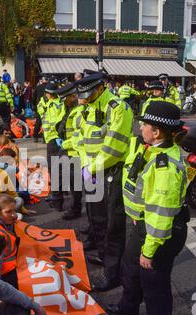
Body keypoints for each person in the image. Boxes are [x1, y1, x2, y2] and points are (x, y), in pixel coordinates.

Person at [106, 101, 189, 315]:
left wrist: (149, 249)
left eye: (145, 125)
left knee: (155, 283)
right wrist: (136, 214)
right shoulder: (150, 148)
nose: (140, 127)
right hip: (143, 224)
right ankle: (128, 308)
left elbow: (161, 214)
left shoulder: (165, 166)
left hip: (160, 233)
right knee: (130, 266)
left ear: (157, 132)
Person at [75, 73, 133, 291]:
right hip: (91, 171)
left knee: (112, 224)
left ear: (100, 88)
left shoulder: (118, 108)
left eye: (89, 94)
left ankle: (114, 272)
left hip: (111, 171)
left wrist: (92, 167)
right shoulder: (85, 108)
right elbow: (79, 139)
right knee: (95, 217)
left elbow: (114, 146)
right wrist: (84, 164)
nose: (85, 99)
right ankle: (104, 256)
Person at [55, 82, 84, 220]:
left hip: (74, 151)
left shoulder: (78, 110)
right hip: (67, 149)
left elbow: (79, 135)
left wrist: (64, 144)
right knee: (69, 180)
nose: (63, 102)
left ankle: (76, 209)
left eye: (65, 98)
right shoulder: (70, 108)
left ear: (72, 96)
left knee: (75, 183)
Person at [38, 82, 64, 210]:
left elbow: (54, 123)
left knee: (54, 170)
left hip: (53, 140)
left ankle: (57, 199)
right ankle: (59, 195)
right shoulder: (58, 102)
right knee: (59, 168)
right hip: (57, 140)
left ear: (48, 94)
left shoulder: (53, 104)